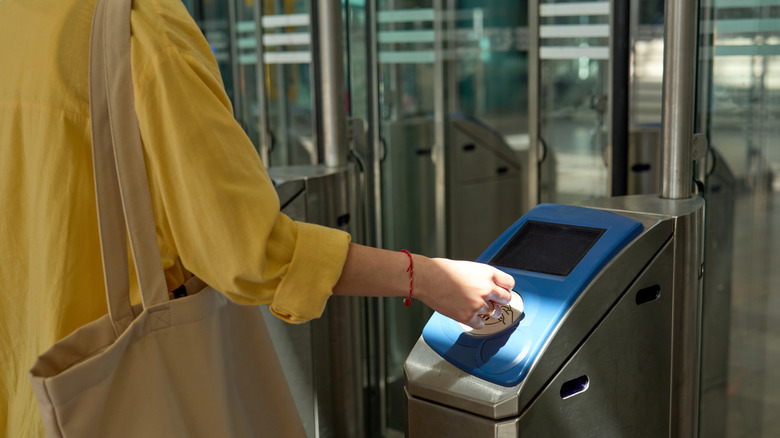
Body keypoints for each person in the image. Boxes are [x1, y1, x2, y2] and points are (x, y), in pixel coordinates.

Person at [0, 0, 514, 435]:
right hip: (134, 397)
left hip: (34, 396)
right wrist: (428, 278)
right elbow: (250, 252)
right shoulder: (140, 27)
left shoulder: (19, 19)